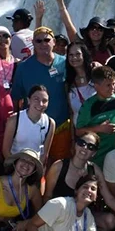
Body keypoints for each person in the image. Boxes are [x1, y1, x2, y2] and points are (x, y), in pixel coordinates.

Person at [43, 132, 115, 231]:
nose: (85, 148)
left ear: (94, 153)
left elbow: (109, 199)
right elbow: (47, 196)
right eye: (81, 143)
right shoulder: (59, 166)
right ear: (75, 144)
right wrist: (50, 219)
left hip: (83, 216)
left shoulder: (94, 169)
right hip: (60, 215)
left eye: (91, 147)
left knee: (109, 221)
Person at [10, 26, 72, 164]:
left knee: (58, 167)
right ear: (33, 43)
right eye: (38, 41)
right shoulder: (23, 67)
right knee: (31, 166)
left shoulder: (65, 63)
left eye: (47, 40)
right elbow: (16, 99)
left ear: (54, 42)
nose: (43, 44)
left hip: (61, 127)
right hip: (32, 128)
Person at [75, 65, 115, 167]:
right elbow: (78, 131)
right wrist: (99, 128)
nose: (112, 88)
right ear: (96, 86)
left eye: (114, 83)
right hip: (99, 158)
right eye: (108, 85)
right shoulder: (89, 106)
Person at [3, 85, 55, 165]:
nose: (40, 104)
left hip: (34, 167)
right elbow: (6, 151)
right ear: (28, 100)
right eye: (36, 99)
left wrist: (34, 169)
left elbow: (44, 154)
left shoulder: (50, 123)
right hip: (14, 166)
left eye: (44, 101)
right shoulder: (14, 120)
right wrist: (18, 167)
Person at [65, 42, 98, 125]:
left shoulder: (96, 73)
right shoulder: (68, 83)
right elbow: (71, 113)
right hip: (80, 129)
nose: (74, 58)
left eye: (78, 54)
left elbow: (114, 96)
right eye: (71, 55)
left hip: (102, 127)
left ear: (84, 54)